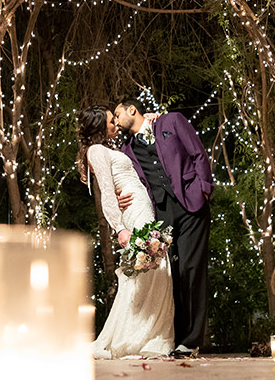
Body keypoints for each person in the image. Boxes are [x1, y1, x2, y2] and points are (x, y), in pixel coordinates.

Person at [114, 98, 213, 358]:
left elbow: (198, 153)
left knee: (192, 269)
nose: (116, 120)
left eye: (117, 114)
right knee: (173, 274)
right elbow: (132, 180)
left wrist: (204, 188)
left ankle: (191, 341)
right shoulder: (127, 150)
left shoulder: (171, 121)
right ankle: (177, 337)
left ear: (131, 110)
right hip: (162, 214)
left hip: (191, 203)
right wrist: (119, 196)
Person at [76, 105, 175, 359]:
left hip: (143, 208)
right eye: (111, 121)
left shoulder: (107, 149)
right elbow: (107, 192)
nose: (115, 125)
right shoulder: (96, 151)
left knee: (154, 268)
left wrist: (152, 119)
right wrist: (119, 227)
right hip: (134, 214)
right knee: (148, 267)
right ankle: (136, 335)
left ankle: (152, 333)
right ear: (99, 125)